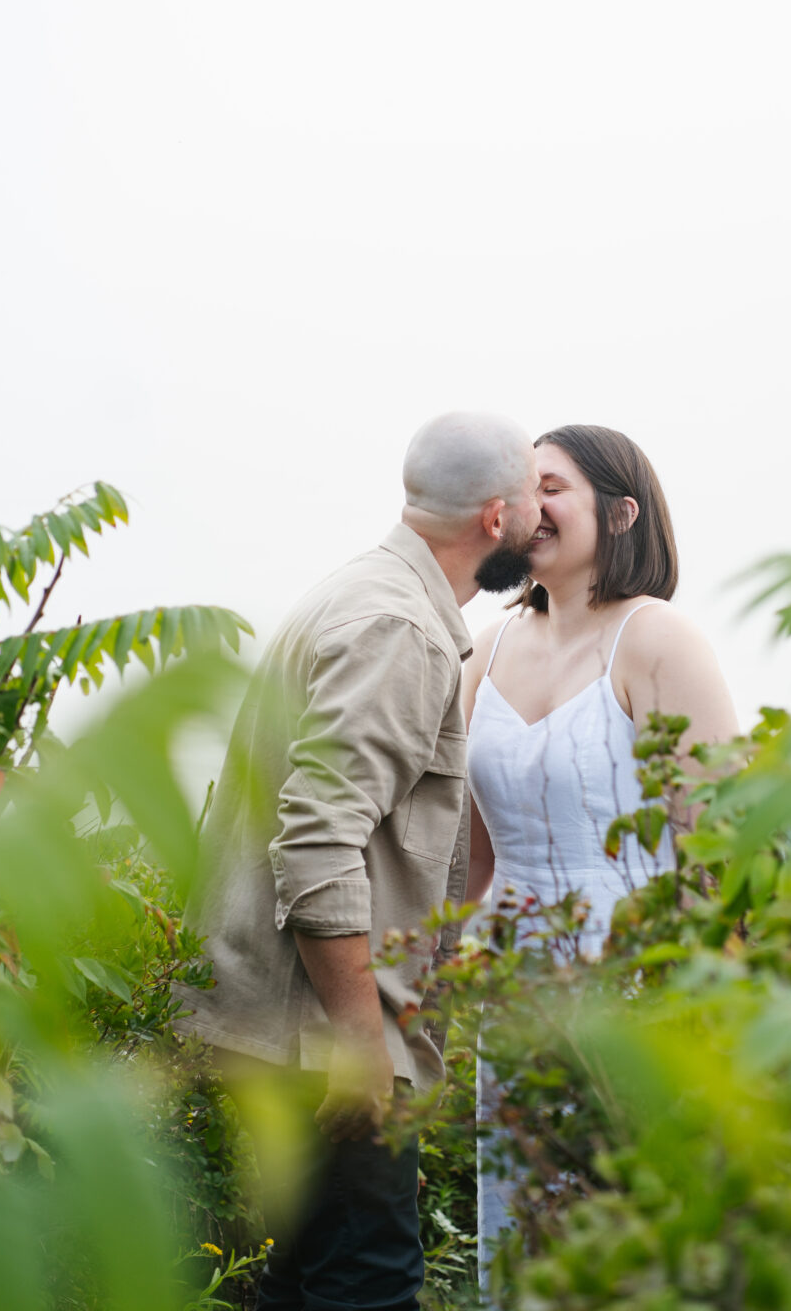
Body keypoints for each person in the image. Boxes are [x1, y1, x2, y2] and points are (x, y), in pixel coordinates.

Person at [173, 411, 542, 1311]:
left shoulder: (363, 594)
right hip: (318, 1033)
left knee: (301, 1282)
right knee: (369, 1284)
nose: (542, 517)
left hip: (283, 1019)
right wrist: (359, 1039)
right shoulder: (400, 632)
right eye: (536, 495)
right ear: (495, 519)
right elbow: (317, 835)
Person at [463, 423, 738, 1288]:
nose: (529, 505)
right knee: (522, 1237)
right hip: (508, 972)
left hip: (638, 974)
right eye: (521, 486)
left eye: (553, 487)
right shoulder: (488, 645)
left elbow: (714, 849)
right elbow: (468, 857)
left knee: (635, 1239)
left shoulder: (659, 640)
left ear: (619, 514)